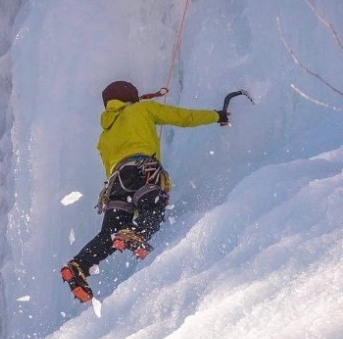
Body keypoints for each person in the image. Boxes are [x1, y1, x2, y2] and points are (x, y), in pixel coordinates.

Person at [61, 80, 229, 302]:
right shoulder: (142, 108)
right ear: (131, 96)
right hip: (142, 172)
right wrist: (218, 115)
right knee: (153, 209)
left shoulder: (104, 136)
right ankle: (134, 233)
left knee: (108, 233)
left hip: (115, 185)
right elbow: (183, 117)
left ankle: (80, 265)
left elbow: (107, 166)